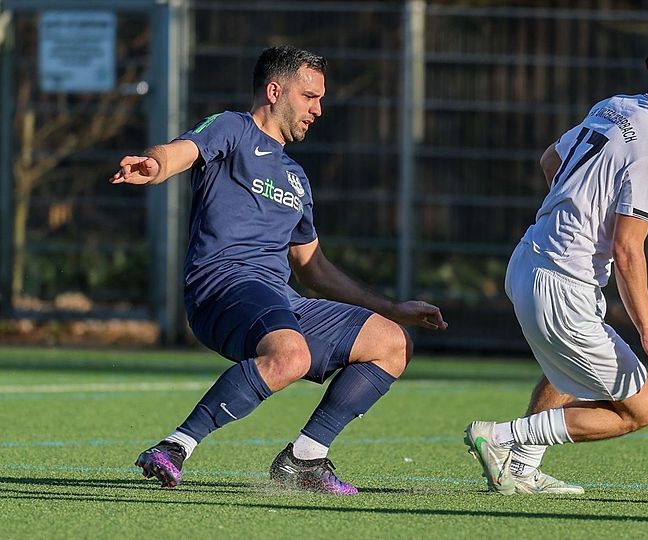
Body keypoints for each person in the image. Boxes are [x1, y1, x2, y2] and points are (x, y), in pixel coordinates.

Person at [111, 45, 447, 495]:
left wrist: (392, 308)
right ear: (275, 91)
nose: (318, 109)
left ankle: (305, 460)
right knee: (292, 355)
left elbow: (314, 268)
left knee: (391, 343)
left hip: (278, 297)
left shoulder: (297, 179)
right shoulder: (233, 128)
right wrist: (155, 164)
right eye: (310, 97)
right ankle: (174, 446)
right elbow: (182, 150)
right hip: (223, 285)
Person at [464, 21, 648, 495]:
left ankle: (518, 468)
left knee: (563, 370)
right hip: (563, 282)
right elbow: (627, 249)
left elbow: (550, 160)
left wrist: (575, 217)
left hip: (528, 261)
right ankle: (501, 438)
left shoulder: (616, 106)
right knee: (641, 408)